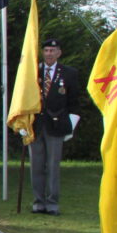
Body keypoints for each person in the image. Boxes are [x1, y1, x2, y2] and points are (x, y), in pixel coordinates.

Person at [30, 37, 82, 216]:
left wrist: (71, 126)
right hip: (35, 125)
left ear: (59, 53)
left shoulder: (69, 73)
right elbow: (23, 99)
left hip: (57, 125)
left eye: (53, 51)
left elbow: (74, 102)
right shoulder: (32, 72)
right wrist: (22, 123)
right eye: (46, 51)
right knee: (36, 166)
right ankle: (38, 202)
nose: (49, 54)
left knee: (52, 166)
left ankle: (52, 203)